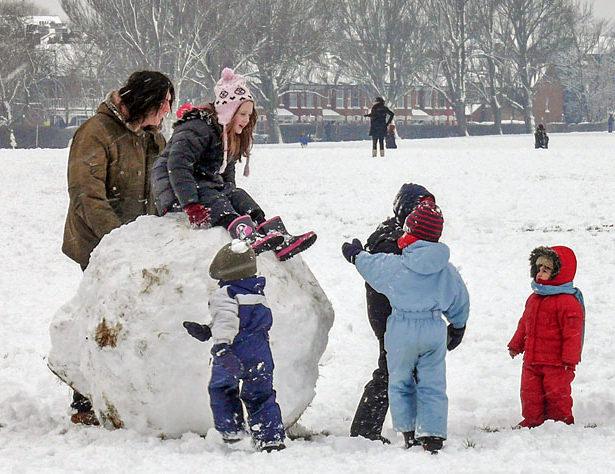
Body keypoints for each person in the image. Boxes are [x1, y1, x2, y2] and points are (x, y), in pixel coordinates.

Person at [61, 69, 174, 426]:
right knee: (101, 319)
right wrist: (116, 241)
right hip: (98, 245)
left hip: (139, 244)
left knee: (134, 320)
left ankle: (125, 395)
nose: (166, 113)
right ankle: (85, 400)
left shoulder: (151, 136)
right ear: (145, 103)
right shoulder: (95, 132)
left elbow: (165, 183)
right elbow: (86, 193)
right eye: (164, 105)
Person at [342, 201, 470, 454]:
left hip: (401, 330)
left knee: (400, 383)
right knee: (432, 384)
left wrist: (355, 254)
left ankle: (409, 432)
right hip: (433, 328)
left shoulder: (396, 266)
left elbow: (370, 265)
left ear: (409, 232)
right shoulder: (447, 270)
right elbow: (460, 298)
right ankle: (432, 434)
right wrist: (458, 325)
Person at [152, 68, 316, 261]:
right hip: (175, 190)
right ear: (229, 112)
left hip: (202, 184)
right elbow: (177, 165)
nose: (247, 121)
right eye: (243, 114)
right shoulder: (197, 128)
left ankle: (275, 236)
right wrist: (191, 204)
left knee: (238, 195)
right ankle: (244, 235)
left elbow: (226, 172)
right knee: (216, 199)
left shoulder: (226, 137)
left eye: (249, 115)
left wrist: (231, 194)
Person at [349, 183, 436, 443]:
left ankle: (417, 427)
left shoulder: (406, 234)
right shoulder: (390, 241)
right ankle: (365, 429)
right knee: (391, 371)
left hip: (400, 317)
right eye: (422, 207)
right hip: (391, 317)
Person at [183, 241, 285, 452]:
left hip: (234, 350)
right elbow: (245, 321)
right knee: (261, 395)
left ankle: (231, 429)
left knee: (221, 388)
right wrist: (207, 330)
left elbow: (228, 322)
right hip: (260, 352)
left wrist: (221, 345)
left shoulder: (226, 293)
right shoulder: (257, 293)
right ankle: (270, 438)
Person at [508, 246, 585, 427]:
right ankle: (532, 420)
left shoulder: (568, 302)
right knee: (529, 393)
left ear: (559, 273)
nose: (540, 274)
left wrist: (569, 360)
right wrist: (516, 344)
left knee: (556, 394)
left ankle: (560, 422)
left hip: (557, 363)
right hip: (532, 360)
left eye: (546, 270)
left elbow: (572, 334)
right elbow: (524, 324)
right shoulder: (534, 299)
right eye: (539, 269)